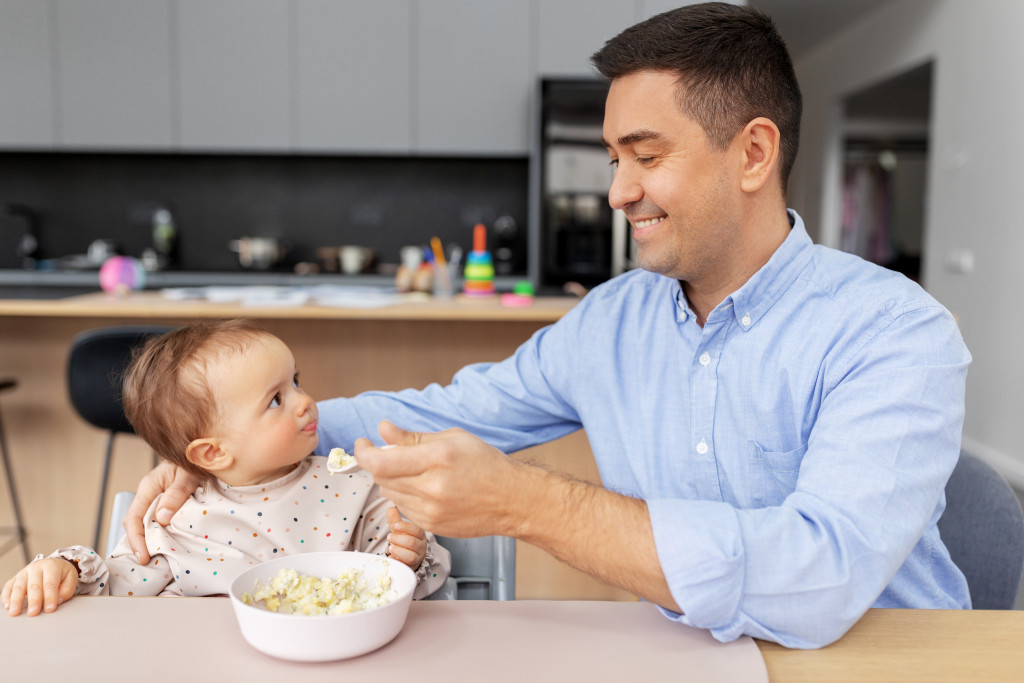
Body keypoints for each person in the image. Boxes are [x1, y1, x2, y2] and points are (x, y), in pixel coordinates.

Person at [121, 3, 970, 649]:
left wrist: (528, 504)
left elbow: (818, 577)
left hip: (897, 659)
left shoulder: (893, 331)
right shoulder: (610, 322)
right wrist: (253, 443)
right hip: (694, 658)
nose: (616, 192)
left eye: (646, 155)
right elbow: (457, 409)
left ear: (752, 153)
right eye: (613, 159)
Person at [2, 320, 450, 617]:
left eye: (295, 382)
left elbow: (402, 580)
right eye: (276, 399)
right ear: (212, 454)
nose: (306, 402)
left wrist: (404, 557)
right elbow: (118, 589)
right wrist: (66, 570)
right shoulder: (177, 518)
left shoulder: (354, 484)